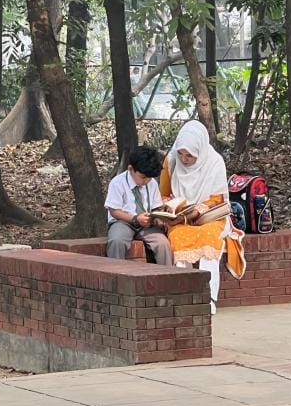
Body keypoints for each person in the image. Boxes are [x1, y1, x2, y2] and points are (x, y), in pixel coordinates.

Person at [158, 121, 246, 315]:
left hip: (209, 217)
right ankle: (185, 297)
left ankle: (208, 298)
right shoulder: (171, 161)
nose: (184, 159)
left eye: (190, 155)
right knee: (179, 239)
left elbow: (218, 198)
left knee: (209, 241)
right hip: (180, 219)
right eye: (181, 153)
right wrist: (172, 206)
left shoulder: (214, 162)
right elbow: (163, 193)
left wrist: (198, 209)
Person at [105, 146, 173, 266]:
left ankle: (167, 276)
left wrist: (160, 216)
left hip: (147, 224)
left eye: (149, 178)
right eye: (143, 177)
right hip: (123, 221)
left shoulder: (151, 183)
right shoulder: (117, 183)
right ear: (131, 169)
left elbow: (156, 207)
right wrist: (135, 219)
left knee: (163, 244)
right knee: (117, 241)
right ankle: (116, 276)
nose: (146, 181)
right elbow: (114, 210)